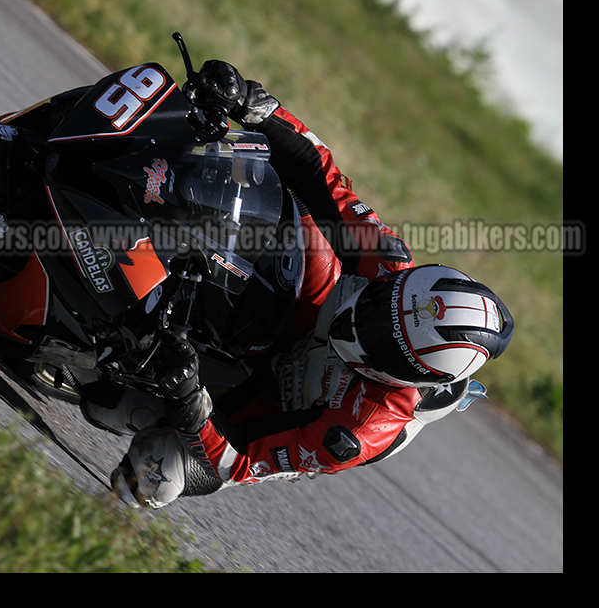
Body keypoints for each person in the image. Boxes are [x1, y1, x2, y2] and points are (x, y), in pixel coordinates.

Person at [80, 60, 515, 508]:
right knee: (273, 187)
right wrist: (253, 106)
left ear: (408, 375)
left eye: (385, 338)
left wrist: (187, 394)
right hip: (311, 313)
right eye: (382, 302)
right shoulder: (388, 261)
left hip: (280, 402)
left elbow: (240, 460)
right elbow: (318, 172)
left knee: (151, 463)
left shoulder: (358, 429)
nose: (364, 321)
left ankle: (132, 395)